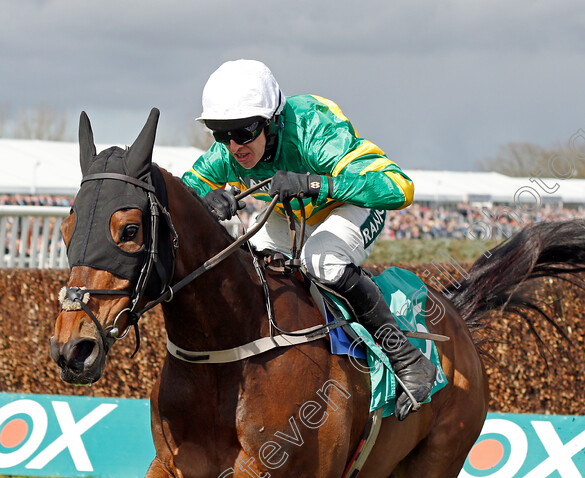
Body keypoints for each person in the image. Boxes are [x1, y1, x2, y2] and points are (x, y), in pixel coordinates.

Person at [182, 59, 436, 421]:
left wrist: (314, 183)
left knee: (323, 259)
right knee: (251, 269)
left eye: (243, 132)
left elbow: (400, 188)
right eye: (221, 133)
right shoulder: (227, 153)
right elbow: (178, 195)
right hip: (294, 215)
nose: (234, 146)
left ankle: (406, 357)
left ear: (272, 121)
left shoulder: (313, 130)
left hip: (352, 204)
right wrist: (201, 202)